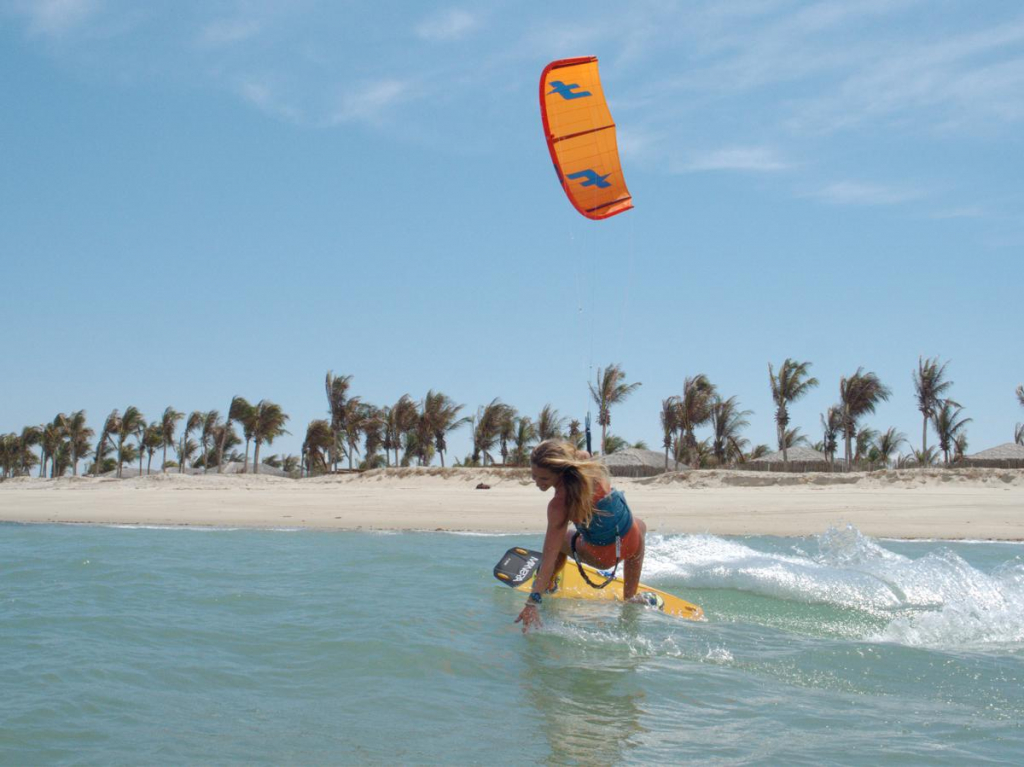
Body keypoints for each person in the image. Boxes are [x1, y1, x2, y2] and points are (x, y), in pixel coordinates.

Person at [515, 439, 647, 632]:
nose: (537, 483)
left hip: (604, 558)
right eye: (534, 476)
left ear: (561, 473)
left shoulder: (559, 505)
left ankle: (550, 585)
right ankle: (630, 596)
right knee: (639, 524)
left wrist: (532, 602)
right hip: (632, 543)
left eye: (543, 479)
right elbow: (583, 454)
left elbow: (548, 558)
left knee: (559, 542)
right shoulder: (591, 470)